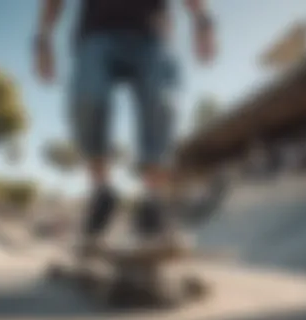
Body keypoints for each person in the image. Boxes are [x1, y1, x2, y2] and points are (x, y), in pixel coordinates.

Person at [33, 0, 217, 247]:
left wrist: (203, 21)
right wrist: (43, 39)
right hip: (96, 34)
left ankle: (153, 202)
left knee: (162, 102)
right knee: (88, 99)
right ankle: (102, 194)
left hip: (153, 34)